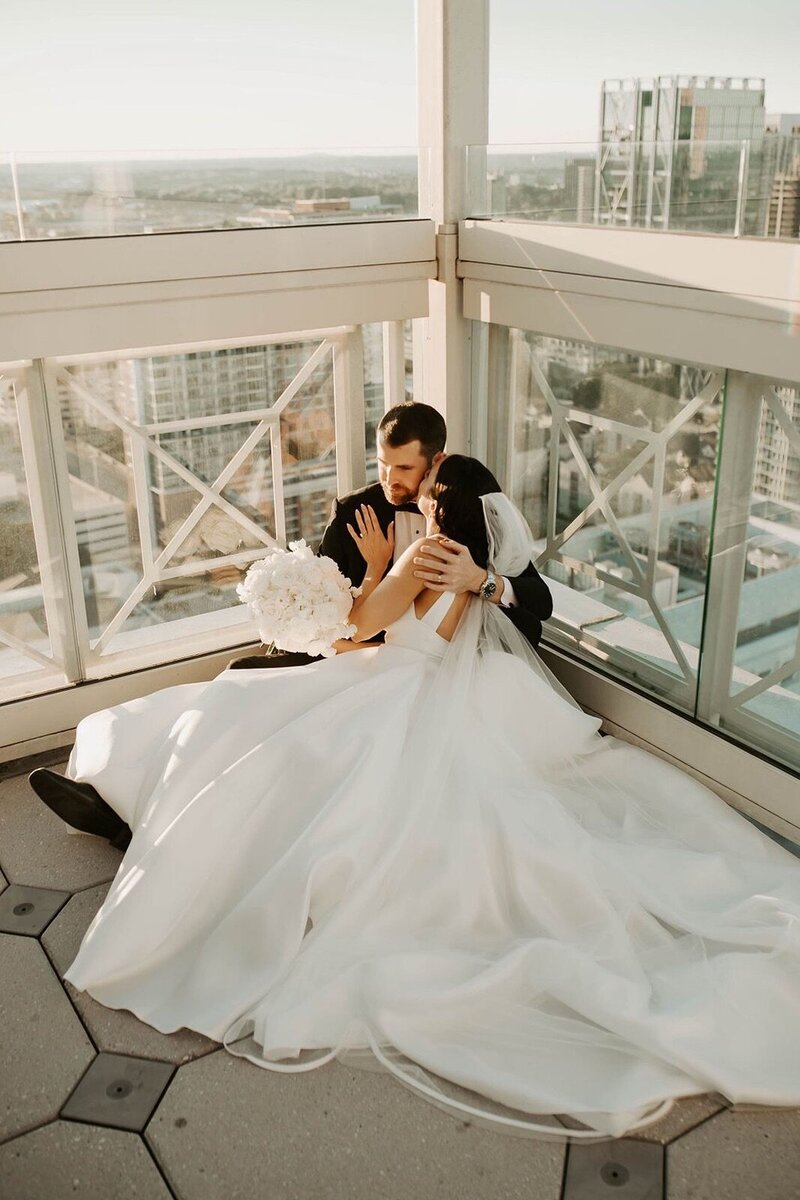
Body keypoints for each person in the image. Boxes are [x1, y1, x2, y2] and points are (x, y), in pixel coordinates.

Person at [30, 455, 800, 1142]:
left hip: (383, 682)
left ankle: (143, 818)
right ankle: (132, 811)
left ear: (439, 509)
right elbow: (482, 612)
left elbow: (354, 631)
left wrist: (370, 567)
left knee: (241, 725)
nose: (418, 500)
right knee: (250, 727)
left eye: (429, 495)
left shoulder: (424, 558)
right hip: (430, 684)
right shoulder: (472, 564)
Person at [29, 401, 553, 851]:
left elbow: (539, 603)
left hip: (384, 668)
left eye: (403, 469)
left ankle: (152, 829)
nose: (389, 480)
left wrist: (484, 580)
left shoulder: (472, 517)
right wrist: (312, 617)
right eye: (382, 464)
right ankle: (118, 802)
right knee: (236, 686)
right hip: (350, 653)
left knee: (256, 727)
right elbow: (325, 599)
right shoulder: (356, 512)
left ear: (436, 463)